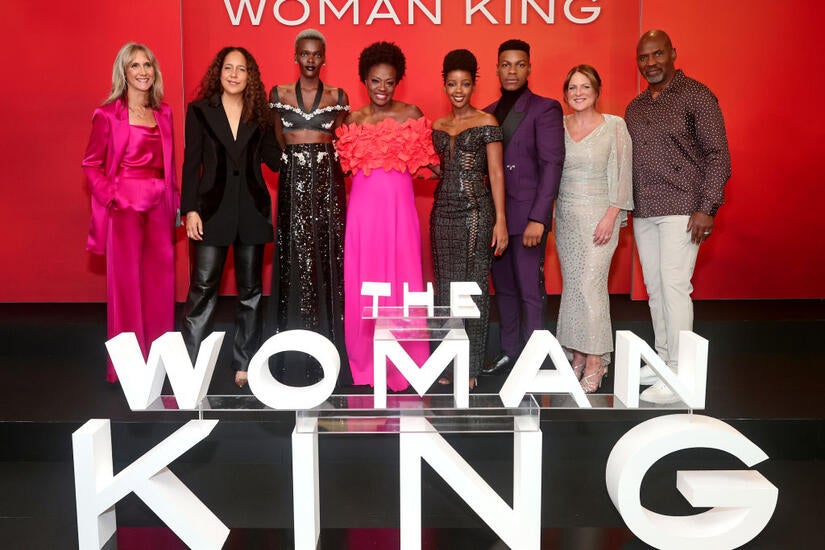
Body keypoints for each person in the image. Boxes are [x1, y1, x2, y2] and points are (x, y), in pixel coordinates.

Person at [625, 30, 731, 403]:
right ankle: (664, 362)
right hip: (644, 210)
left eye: (657, 55)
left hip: (684, 210)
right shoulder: (635, 107)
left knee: (674, 288)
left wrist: (707, 207)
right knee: (656, 291)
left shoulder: (696, 96)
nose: (650, 63)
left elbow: (719, 155)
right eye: (643, 58)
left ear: (672, 53)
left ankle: (680, 376)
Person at [335, 41, 438, 392]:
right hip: (364, 214)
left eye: (389, 81)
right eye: (375, 81)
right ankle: (364, 364)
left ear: (398, 82)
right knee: (365, 284)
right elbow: (343, 171)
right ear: (365, 80)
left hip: (400, 211)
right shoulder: (352, 120)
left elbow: (430, 166)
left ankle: (406, 364)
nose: (382, 88)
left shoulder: (412, 114)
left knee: (403, 280)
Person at [180, 47, 280, 388]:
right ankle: (193, 368)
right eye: (228, 68)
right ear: (218, 73)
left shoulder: (261, 115)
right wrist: (189, 209)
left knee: (250, 292)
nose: (234, 74)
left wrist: (301, 136)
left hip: (251, 212)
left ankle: (245, 362)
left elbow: (275, 160)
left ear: (250, 76)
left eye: (241, 69)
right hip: (210, 213)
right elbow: (192, 163)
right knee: (202, 289)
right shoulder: (199, 111)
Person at [82, 43, 178, 383]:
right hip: (124, 210)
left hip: (158, 208)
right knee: (126, 289)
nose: (143, 71)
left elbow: (170, 168)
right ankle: (127, 371)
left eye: (148, 64)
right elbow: (91, 164)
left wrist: (175, 206)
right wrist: (113, 195)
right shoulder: (107, 114)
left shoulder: (164, 113)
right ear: (123, 72)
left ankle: (158, 364)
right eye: (135, 65)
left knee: (160, 287)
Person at [268, 29, 349, 386]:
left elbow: (341, 141)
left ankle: (331, 345)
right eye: (305, 54)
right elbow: (277, 138)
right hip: (292, 178)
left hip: (327, 181)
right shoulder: (279, 94)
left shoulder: (339, 96)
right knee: (292, 253)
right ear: (296, 56)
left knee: (328, 251)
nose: (311, 60)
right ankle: (291, 347)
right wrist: (296, 164)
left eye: (317, 54)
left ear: (324, 57)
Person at [480, 39, 565, 376]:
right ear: (497, 68)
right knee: (504, 290)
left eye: (519, 64)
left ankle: (532, 360)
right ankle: (510, 351)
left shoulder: (544, 108)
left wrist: (538, 218)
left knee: (530, 290)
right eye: (505, 64)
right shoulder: (487, 112)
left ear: (529, 68)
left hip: (527, 218)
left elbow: (552, 165)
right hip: (494, 219)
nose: (511, 70)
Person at [431, 49, 508, 389]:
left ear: (473, 84)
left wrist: (501, 221)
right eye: (452, 84)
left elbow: (496, 173)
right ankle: (449, 363)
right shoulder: (438, 125)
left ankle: (472, 365)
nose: (458, 90)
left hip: (477, 211)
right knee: (446, 290)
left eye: (464, 83)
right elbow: (440, 168)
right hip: (442, 212)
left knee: (473, 288)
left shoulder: (487, 122)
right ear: (444, 85)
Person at [555, 65, 633, 393]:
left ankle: (596, 361)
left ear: (597, 90)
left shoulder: (614, 125)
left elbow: (623, 172)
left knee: (591, 286)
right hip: (566, 217)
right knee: (573, 287)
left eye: (584, 86)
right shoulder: (557, 126)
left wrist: (611, 214)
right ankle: (577, 352)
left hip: (601, 216)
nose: (578, 93)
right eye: (572, 87)